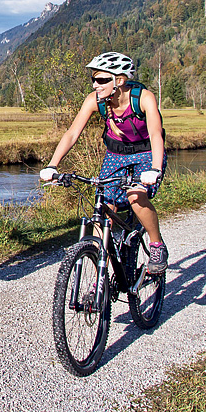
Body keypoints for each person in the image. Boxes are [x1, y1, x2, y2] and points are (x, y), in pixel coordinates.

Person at [39, 51, 169, 274]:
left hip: (147, 153)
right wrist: (52, 165)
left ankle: (156, 244)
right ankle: (101, 280)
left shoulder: (143, 98)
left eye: (101, 80)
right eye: (94, 79)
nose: (95, 85)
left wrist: (155, 169)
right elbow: (72, 133)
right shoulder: (94, 101)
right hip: (115, 154)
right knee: (103, 207)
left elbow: (156, 134)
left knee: (135, 195)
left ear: (119, 80)